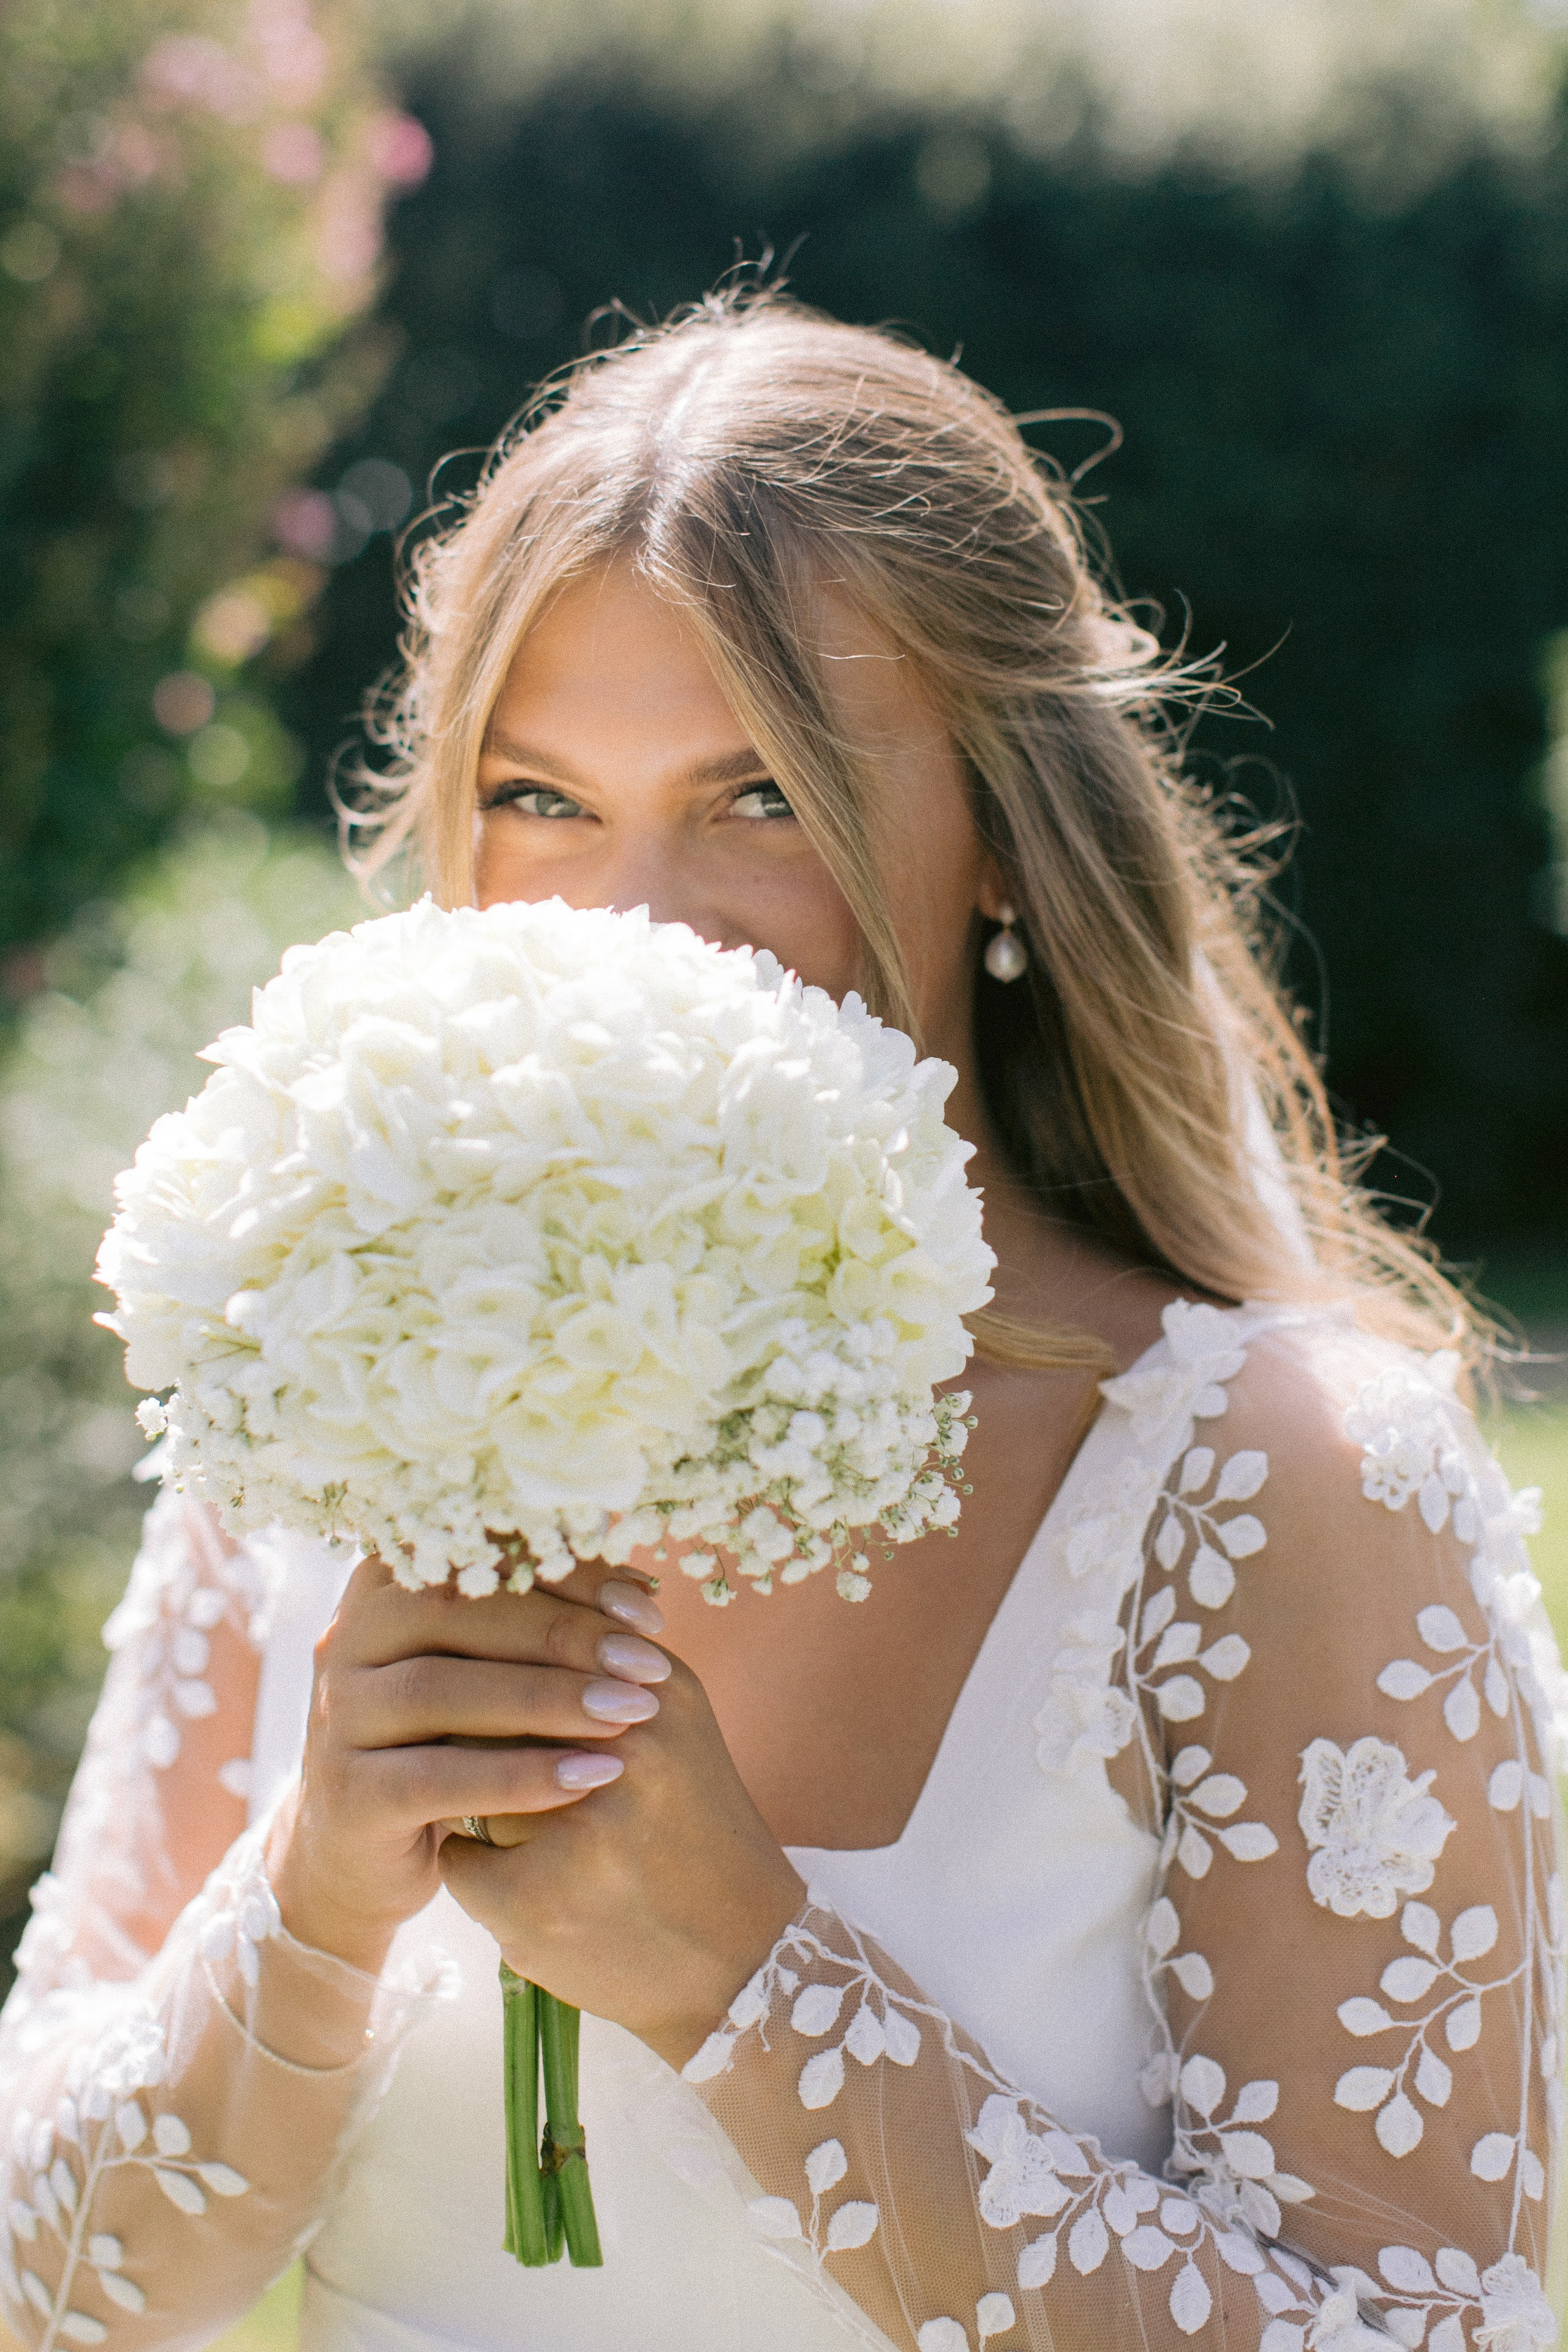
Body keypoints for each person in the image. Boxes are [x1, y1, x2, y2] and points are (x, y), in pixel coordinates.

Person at [1, 290, 1561, 2352]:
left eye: (762, 800)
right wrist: (307, 1909)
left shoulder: (1271, 1480)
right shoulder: (339, 1390)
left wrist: (748, 1978)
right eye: (542, 798)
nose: (633, 918)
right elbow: (47, 2290)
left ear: (1007, 841)